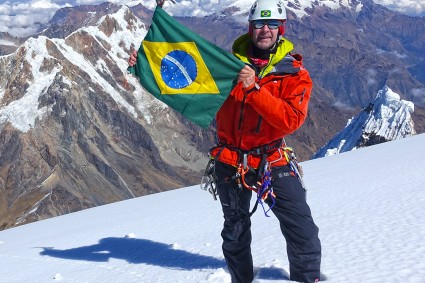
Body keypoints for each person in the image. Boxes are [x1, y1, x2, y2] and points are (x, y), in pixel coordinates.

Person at [129, 0, 321, 282]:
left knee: (302, 228)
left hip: (272, 160)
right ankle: (240, 278)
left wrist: (255, 89)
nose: (264, 30)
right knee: (235, 229)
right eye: (258, 24)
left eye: (271, 24)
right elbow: (186, 83)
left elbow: (290, 119)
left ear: (282, 28)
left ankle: (307, 279)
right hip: (231, 160)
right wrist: (147, 66)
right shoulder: (225, 66)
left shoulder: (295, 75)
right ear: (250, 28)